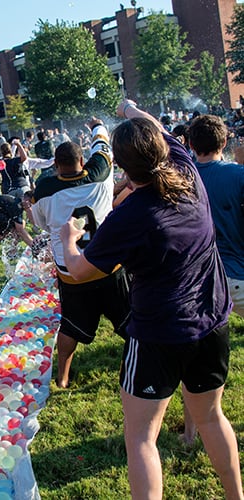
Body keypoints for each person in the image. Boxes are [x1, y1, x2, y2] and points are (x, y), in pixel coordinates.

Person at [60, 100, 242, 500]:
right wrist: (132, 110)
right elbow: (154, 126)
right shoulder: (189, 172)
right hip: (211, 322)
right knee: (211, 418)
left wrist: (68, 241)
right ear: (163, 149)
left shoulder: (131, 215)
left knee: (141, 437)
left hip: (159, 333)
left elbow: (80, 271)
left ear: (124, 169)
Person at [29, 118, 129, 389]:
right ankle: (129, 369)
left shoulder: (45, 190)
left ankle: (62, 376)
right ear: (82, 160)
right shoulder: (101, 175)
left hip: (71, 270)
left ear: (56, 164)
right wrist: (97, 127)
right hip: (107, 266)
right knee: (131, 324)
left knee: (71, 326)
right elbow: (103, 148)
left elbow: (39, 223)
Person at [189, 114, 244, 318]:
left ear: (191, 145)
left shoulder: (180, 178)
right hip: (236, 274)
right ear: (224, 142)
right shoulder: (238, 175)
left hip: (197, 280)